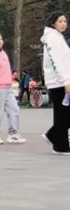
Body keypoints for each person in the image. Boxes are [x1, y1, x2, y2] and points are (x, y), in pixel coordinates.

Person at [0, 33, 26, 145]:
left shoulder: (3, 53)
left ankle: (13, 134)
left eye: (0, 39)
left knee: (14, 110)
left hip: (8, 86)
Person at [40, 11, 70, 155]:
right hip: (59, 82)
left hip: (62, 80)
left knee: (63, 114)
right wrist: (65, 80)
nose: (64, 24)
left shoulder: (57, 37)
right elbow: (57, 61)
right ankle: (59, 145)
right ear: (53, 23)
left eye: (65, 21)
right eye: (60, 21)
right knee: (62, 114)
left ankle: (54, 137)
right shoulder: (52, 38)